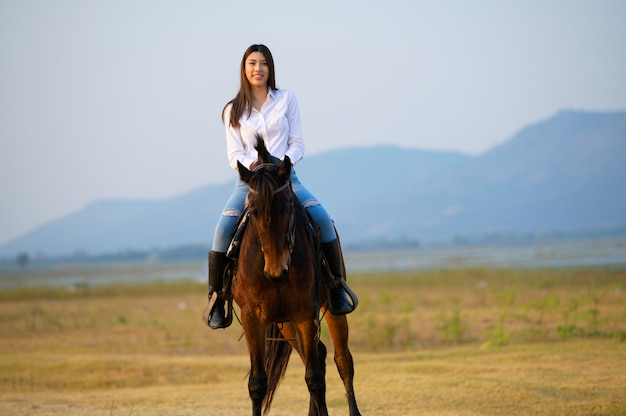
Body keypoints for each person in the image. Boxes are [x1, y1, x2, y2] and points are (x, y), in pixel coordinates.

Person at [205, 44, 356, 329]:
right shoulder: (232, 109)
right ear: (244, 68)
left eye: (263, 63)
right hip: (250, 183)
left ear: (270, 68)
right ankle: (218, 299)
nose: (257, 68)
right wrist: (257, 169)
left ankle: (335, 289)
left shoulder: (286, 99)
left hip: (287, 180)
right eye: (252, 63)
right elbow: (234, 154)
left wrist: (282, 165)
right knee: (223, 229)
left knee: (322, 219)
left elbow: (298, 143)